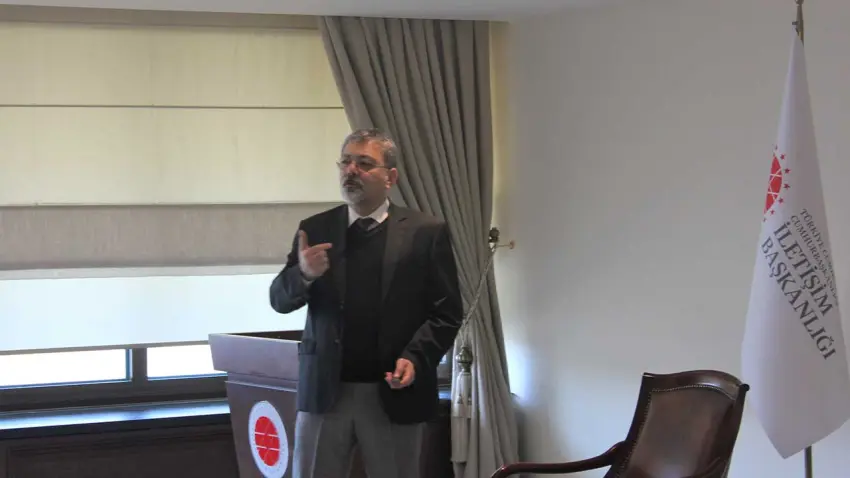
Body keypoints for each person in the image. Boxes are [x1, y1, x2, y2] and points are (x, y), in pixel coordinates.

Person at [269, 128, 463, 478]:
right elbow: (279, 300)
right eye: (346, 161)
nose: (351, 170)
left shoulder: (426, 232)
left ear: (391, 177)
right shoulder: (315, 229)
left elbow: (446, 313)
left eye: (364, 163)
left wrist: (416, 357)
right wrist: (305, 274)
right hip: (326, 391)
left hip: (394, 391)